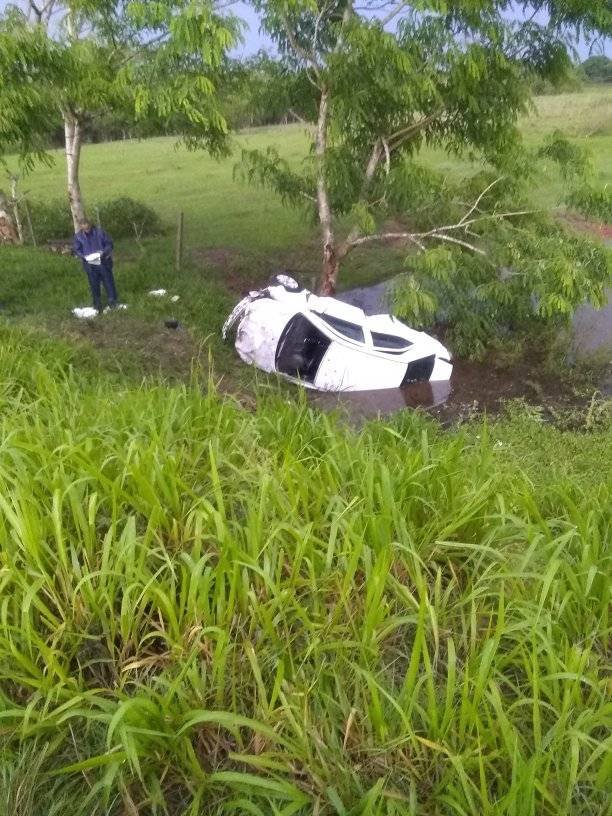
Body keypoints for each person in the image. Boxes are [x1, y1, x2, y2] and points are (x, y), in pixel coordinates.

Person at [73, 219, 118, 313]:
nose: (85, 226)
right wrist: (84, 256)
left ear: (90, 224)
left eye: (86, 224)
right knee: (94, 285)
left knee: (108, 283)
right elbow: (77, 250)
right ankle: (97, 306)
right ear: (80, 226)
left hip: (103, 262)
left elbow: (109, 244)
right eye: (82, 224)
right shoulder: (78, 237)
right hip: (89, 264)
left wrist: (103, 252)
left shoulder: (100, 233)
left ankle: (113, 303)